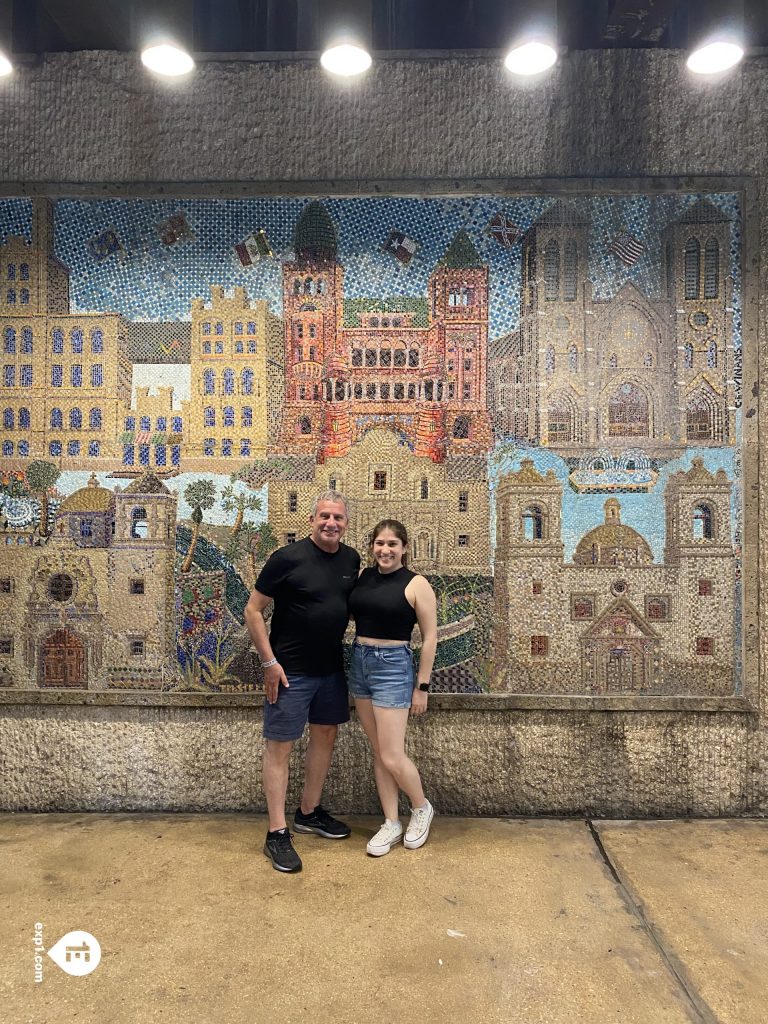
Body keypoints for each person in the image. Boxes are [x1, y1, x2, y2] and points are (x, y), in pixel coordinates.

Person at [244, 491, 360, 873]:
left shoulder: (351, 559)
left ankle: (308, 812)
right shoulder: (286, 559)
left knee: (326, 735)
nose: (331, 523)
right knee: (280, 746)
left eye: (338, 518)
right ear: (313, 520)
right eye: (325, 516)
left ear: (346, 523)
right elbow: (253, 610)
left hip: (330, 669)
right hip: (289, 671)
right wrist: (269, 662)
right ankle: (276, 833)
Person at [348, 519, 438, 857]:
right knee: (379, 752)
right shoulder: (363, 578)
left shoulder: (416, 584)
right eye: (379, 544)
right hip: (360, 663)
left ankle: (420, 806)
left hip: (393, 666)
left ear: (404, 548)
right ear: (372, 546)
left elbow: (429, 638)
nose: (385, 550)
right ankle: (390, 821)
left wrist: (422, 687)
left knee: (392, 753)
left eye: (392, 545)